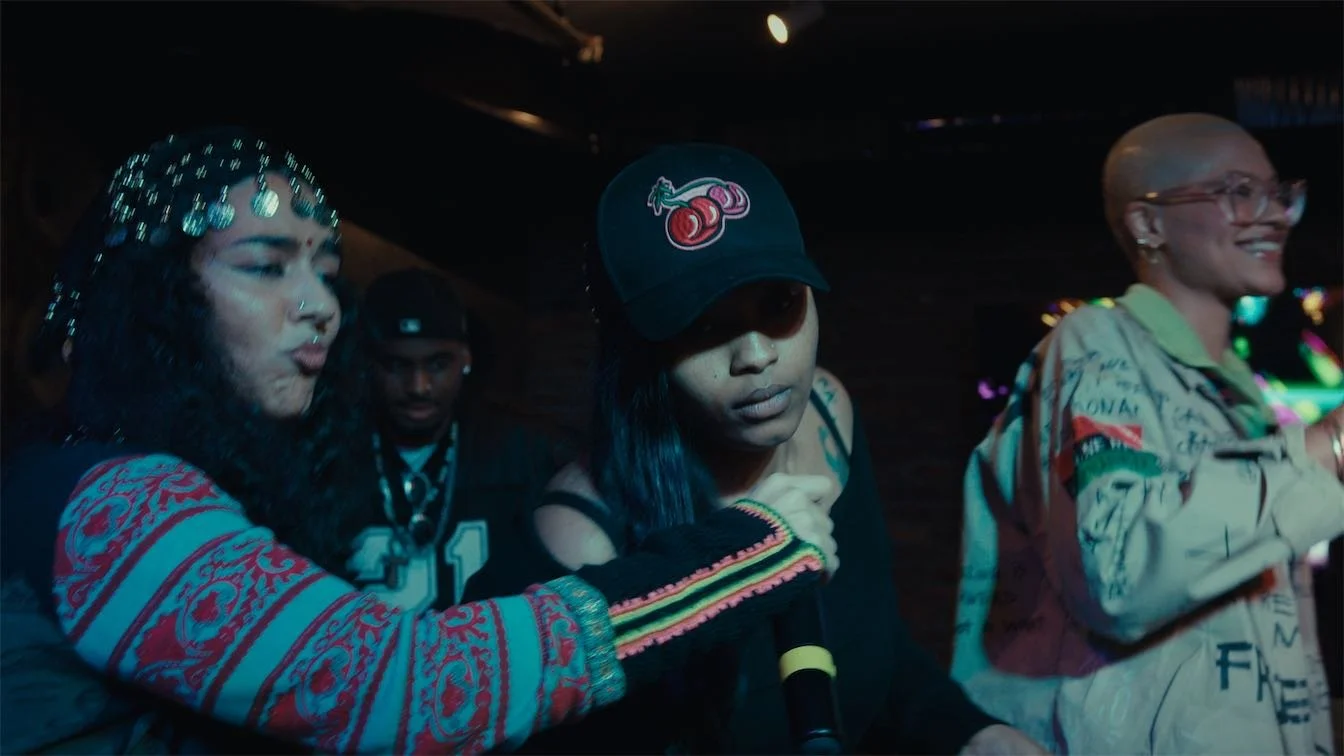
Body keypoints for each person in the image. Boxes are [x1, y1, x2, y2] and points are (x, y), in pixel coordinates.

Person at [0, 127, 842, 755]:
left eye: (326, 272)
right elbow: (409, 685)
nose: (320, 307)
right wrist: (749, 550)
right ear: (154, 301)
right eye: (266, 266)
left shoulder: (143, 484)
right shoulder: (110, 506)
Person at [518, 143, 1042, 754]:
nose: (758, 355)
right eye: (704, 325)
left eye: (779, 304)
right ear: (641, 354)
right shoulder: (582, 532)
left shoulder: (827, 411)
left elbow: (871, 646)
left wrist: (973, 732)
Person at [951, 113, 1344, 754]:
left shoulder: (1244, 400)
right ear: (1147, 223)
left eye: (1279, 193)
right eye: (1239, 192)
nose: (1274, 215)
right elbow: (1120, 574)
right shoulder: (1094, 348)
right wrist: (1331, 445)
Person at [349, 268, 568, 610]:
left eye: (437, 364)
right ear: (367, 364)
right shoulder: (331, 456)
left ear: (466, 359)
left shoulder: (522, 453)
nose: (418, 386)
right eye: (397, 365)